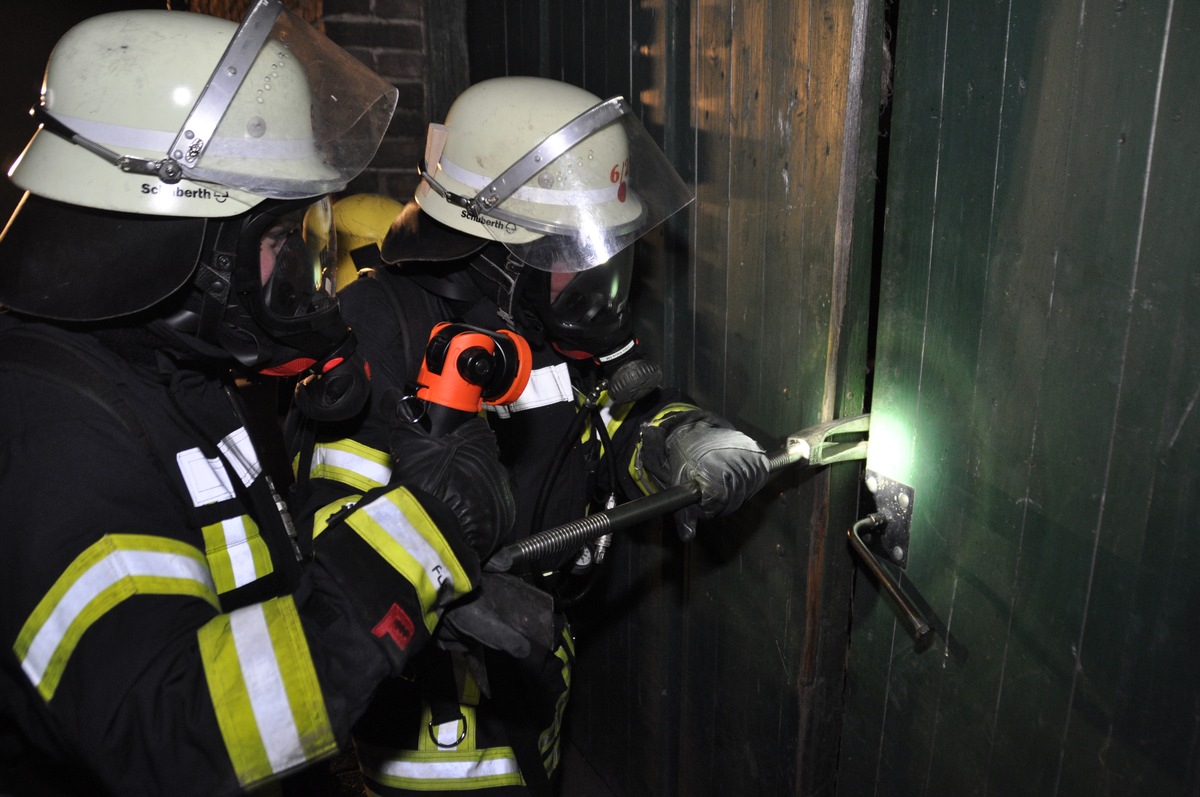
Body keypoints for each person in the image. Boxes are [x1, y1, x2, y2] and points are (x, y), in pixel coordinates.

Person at [0, 4, 514, 795]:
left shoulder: (171, 377)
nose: (309, 275)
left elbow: (249, 606)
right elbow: (177, 733)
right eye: (286, 243)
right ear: (175, 239)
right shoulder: (51, 432)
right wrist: (416, 539)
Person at [292, 76, 771, 795]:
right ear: (492, 252)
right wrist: (444, 595)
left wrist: (684, 440)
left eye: (604, 253)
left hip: (539, 666)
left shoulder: (544, 323)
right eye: (573, 254)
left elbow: (615, 416)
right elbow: (332, 535)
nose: (597, 280)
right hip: (430, 719)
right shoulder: (378, 329)